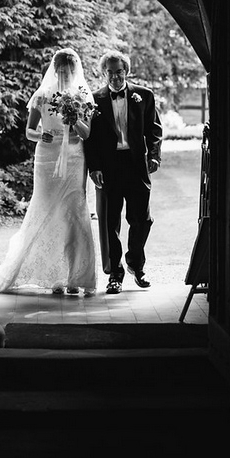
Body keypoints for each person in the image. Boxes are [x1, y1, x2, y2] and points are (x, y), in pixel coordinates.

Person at [0, 48, 97, 296]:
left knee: (74, 213)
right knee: (47, 210)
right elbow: (29, 131)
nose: (64, 75)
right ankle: (54, 278)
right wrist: (42, 135)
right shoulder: (41, 96)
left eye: (68, 71)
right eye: (60, 70)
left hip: (74, 158)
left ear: (75, 71)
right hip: (47, 158)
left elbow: (86, 133)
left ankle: (76, 277)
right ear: (54, 69)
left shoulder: (83, 96)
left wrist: (73, 120)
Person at [84, 49, 163, 294]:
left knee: (142, 219)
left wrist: (154, 155)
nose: (115, 77)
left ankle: (135, 264)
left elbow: (155, 130)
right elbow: (91, 139)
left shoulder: (144, 96)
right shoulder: (94, 99)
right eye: (110, 73)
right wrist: (94, 167)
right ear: (104, 73)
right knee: (111, 223)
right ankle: (115, 274)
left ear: (126, 71)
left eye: (119, 72)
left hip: (136, 165)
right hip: (109, 167)